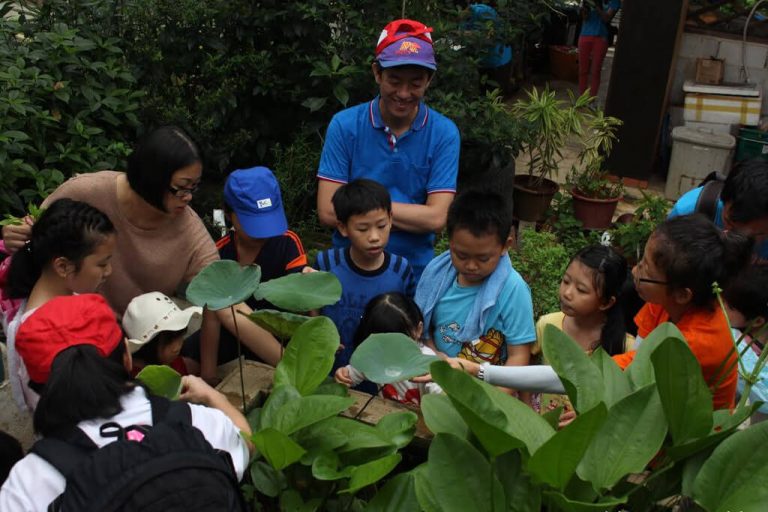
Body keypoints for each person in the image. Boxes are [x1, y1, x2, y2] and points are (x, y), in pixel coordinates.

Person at [1, 126, 283, 370]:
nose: (188, 198)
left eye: (194, 187)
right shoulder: (85, 193)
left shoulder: (189, 231)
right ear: (151, 177)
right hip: (70, 338)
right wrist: (15, 234)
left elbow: (230, 305)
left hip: (140, 347)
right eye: (181, 188)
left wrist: (293, 364)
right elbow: (36, 231)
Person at [448, 215, 752, 411]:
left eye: (646, 269)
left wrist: (481, 371)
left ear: (682, 293)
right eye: (641, 260)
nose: (635, 271)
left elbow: (591, 376)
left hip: (675, 446)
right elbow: (629, 383)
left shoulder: (700, 342)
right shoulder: (663, 302)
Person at [0, 294, 251, 510]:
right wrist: (211, 395)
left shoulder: (28, 484)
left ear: (36, 389)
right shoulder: (192, 421)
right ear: (127, 358)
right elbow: (246, 444)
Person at [316, 18, 460, 281]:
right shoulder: (346, 126)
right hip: (348, 270)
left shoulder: (443, 133)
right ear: (377, 73)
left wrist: (360, 211)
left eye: (415, 83)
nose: (404, 93)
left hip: (414, 274)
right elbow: (327, 210)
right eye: (394, 80)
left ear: (429, 80)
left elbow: (438, 217)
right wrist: (407, 214)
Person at [188, 166, 307, 382]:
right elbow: (211, 316)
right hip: (232, 334)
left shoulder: (287, 243)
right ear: (228, 213)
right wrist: (208, 376)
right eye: (254, 223)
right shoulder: (220, 251)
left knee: (225, 306)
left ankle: (294, 373)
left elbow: (306, 298)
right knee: (184, 361)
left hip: (279, 337)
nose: (262, 233)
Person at [4, 198, 116, 411]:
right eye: (102, 263)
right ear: (63, 266)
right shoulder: (36, 333)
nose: (109, 271)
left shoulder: (72, 298)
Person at [415, 189, 535, 383]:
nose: (471, 266)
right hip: (436, 378)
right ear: (450, 241)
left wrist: (496, 403)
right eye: (461, 255)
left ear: (506, 245)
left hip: (486, 390)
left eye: (483, 258)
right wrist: (435, 356)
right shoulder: (436, 275)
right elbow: (424, 329)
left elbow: (518, 357)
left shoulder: (513, 290)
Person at [315, 180, 417, 373]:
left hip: (381, 375)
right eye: (363, 229)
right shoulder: (327, 263)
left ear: (391, 219)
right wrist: (320, 337)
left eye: (381, 225)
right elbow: (313, 307)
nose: (374, 236)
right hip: (329, 368)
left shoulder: (401, 269)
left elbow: (409, 319)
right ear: (343, 228)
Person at [533, 244, 632, 417]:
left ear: (606, 303)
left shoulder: (626, 347)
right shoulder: (548, 326)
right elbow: (527, 371)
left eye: (581, 290)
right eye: (565, 281)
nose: (567, 293)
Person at [334, 292, 442, 405]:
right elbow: (354, 374)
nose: (392, 350)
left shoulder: (426, 362)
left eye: (399, 342)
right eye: (383, 344)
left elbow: (441, 396)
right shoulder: (376, 355)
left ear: (418, 330)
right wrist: (343, 375)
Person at [669, 160, 768, 261]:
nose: (732, 237)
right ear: (723, 199)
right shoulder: (688, 212)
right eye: (729, 224)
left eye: (753, 235)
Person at [723, 264, 768, 423]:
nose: (721, 309)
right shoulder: (732, 337)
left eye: (729, 307)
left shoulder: (740, 346)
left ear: (757, 321)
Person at [123, 291, 203, 377]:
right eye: (169, 341)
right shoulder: (139, 380)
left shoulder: (171, 362)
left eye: (180, 336)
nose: (177, 347)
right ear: (149, 345)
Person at [578, 0, 621, 96]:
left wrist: (597, 6)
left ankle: (592, 100)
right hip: (585, 35)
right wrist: (584, 8)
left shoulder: (614, 2)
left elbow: (606, 18)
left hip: (601, 38)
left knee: (595, 70)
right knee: (583, 70)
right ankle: (581, 99)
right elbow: (585, 18)